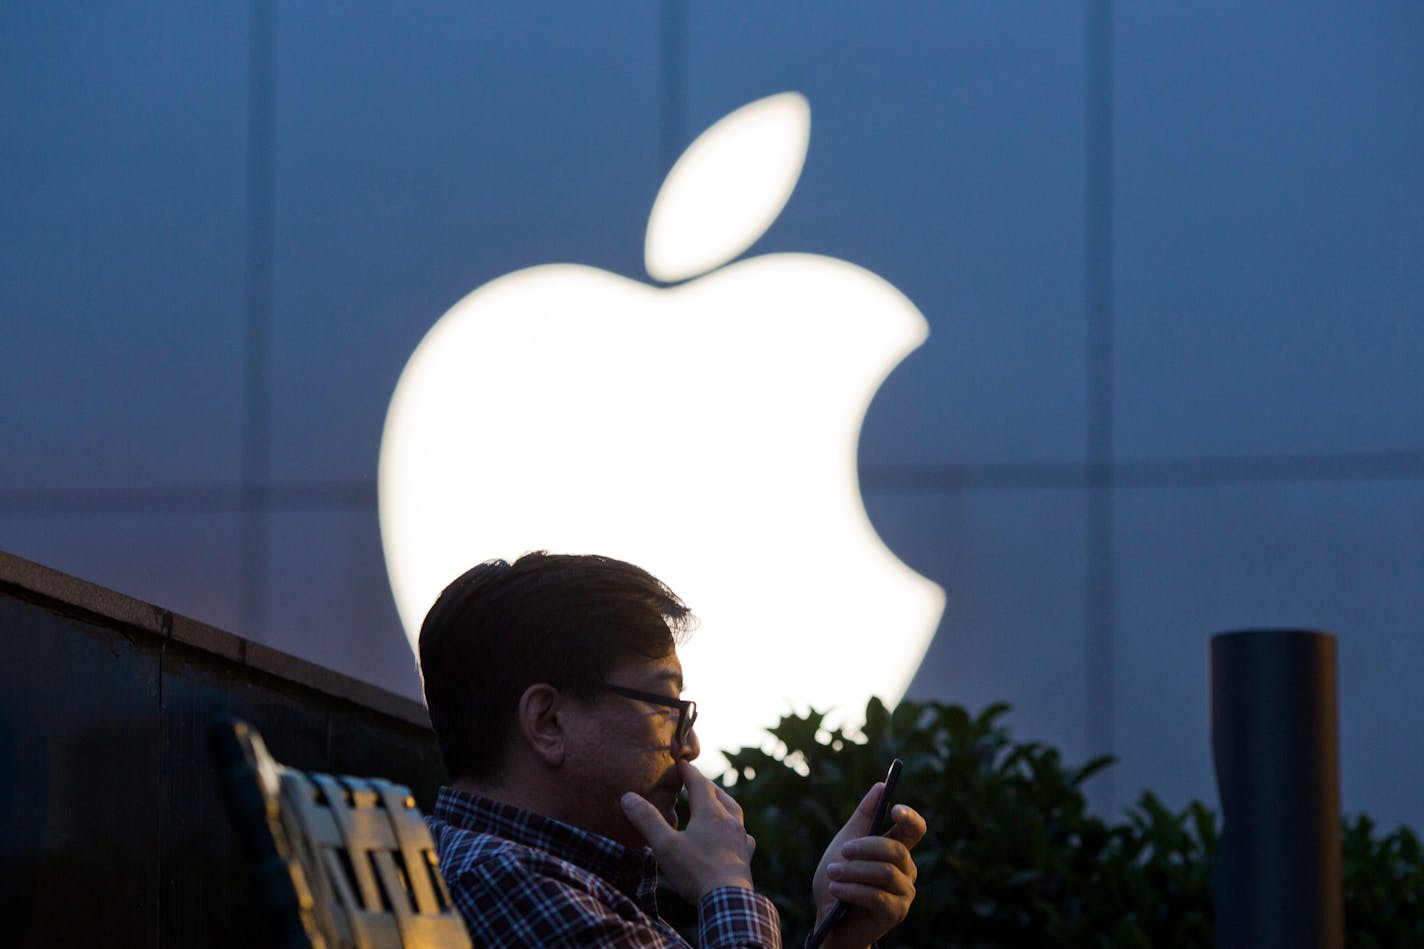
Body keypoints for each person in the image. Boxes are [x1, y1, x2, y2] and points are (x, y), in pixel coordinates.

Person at [419, 551, 925, 948]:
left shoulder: (552, 878)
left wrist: (837, 938)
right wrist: (724, 883)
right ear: (548, 722)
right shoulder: (508, 882)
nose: (690, 746)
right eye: (665, 706)